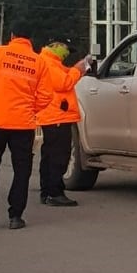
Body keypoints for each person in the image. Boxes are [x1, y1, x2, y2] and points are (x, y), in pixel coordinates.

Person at [0, 25, 52, 229]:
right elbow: (45, 95)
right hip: (23, 124)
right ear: (30, 39)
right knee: (22, 169)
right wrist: (31, 110)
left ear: (12, 35)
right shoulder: (39, 62)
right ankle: (16, 216)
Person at [37, 37, 91, 206]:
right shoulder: (47, 62)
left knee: (49, 154)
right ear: (57, 46)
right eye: (66, 50)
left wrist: (78, 68)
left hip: (53, 115)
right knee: (58, 156)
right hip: (56, 115)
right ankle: (54, 192)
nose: (66, 54)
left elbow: (65, 74)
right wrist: (79, 70)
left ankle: (47, 191)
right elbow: (63, 83)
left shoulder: (50, 62)